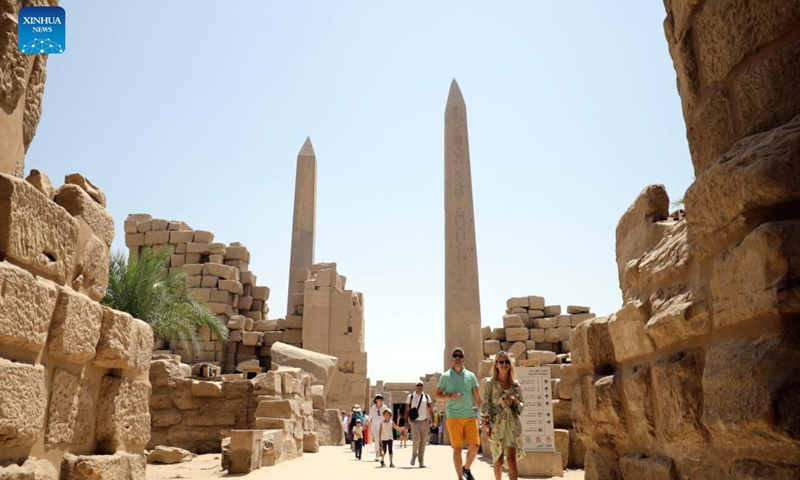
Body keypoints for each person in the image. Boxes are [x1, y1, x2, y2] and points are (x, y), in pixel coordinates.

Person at [437, 347, 482, 480]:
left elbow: (478, 398)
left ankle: (466, 468)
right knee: (457, 449)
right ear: (451, 359)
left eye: (460, 355)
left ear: (463, 359)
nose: (457, 357)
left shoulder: (471, 376)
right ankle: (460, 478)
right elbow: (438, 396)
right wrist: (450, 396)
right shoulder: (445, 376)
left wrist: (484, 412)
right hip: (453, 417)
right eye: (455, 355)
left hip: (469, 415)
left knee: (475, 446)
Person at [481, 352, 525, 480]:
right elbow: (486, 405)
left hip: (512, 425)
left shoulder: (515, 385)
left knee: (511, 459)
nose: (504, 364)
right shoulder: (490, 383)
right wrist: (486, 426)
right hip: (496, 424)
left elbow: (521, 406)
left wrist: (515, 401)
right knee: (498, 458)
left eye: (507, 362)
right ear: (496, 364)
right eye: (501, 362)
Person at [405, 381, 433, 467]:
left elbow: (430, 409)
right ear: (415, 387)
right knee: (416, 439)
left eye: (421, 385)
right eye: (418, 385)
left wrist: (433, 420)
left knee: (423, 442)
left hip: (425, 421)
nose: (420, 387)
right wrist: (406, 421)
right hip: (415, 421)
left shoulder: (427, 396)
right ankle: (414, 455)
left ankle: (421, 461)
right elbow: (407, 410)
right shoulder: (411, 396)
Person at [365, 393, 390, 462]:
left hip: (382, 426)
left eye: (381, 399)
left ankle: (381, 452)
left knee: (381, 440)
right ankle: (377, 455)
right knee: (377, 439)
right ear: (375, 400)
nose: (379, 400)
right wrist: (365, 424)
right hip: (374, 426)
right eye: (378, 399)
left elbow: (388, 415)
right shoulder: (373, 408)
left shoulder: (384, 407)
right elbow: (370, 417)